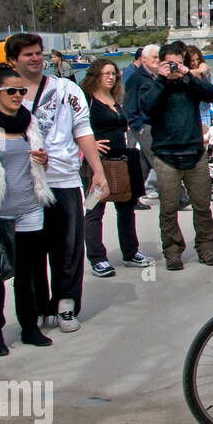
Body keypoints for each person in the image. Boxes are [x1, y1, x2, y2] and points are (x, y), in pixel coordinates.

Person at [3, 33, 107, 333]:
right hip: (23, 184)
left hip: (62, 178)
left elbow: (83, 130)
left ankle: (66, 304)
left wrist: (97, 170)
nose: (36, 58)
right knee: (31, 250)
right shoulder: (2, 95)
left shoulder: (66, 89)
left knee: (68, 247)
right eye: (27, 55)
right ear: (13, 60)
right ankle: (38, 307)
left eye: (39, 53)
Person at [0, 64, 55, 355]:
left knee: (27, 274)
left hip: (29, 208)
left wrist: (43, 161)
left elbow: (41, 166)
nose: (18, 96)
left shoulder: (30, 124)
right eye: (11, 91)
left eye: (22, 91)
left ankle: (29, 328)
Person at [140, 41, 213, 271]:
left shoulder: (190, 84)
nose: (174, 67)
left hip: (194, 152)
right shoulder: (152, 84)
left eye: (178, 63)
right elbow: (145, 107)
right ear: (160, 63)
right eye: (169, 63)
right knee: (168, 208)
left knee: (202, 206)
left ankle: (206, 247)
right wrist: (162, 80)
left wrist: (188, 76)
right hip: (166, 155)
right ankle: (173, 251)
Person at [79, 59, 150, 277]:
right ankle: (97, 258)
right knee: (93, 209)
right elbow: (73, 127)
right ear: (95, 76)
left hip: (121, 161)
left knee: (127, 208)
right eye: (106, 74)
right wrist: (89, 145)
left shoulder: (114, 98)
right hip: (96, 164)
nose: (111, 77)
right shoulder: (86, 99)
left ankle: (130, 252)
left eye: (113, 74)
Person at [124, 43, 159, 197]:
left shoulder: (155, 76)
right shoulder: (136, 78)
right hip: (144, 126)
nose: (158, 60)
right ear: (144, 59)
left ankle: (133, 193)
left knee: (143, 164)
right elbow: (129, 104)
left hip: (154, 124)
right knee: (158, 161)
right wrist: (138, 126)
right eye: (154, 57)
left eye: (159, 57)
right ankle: (179, 196)